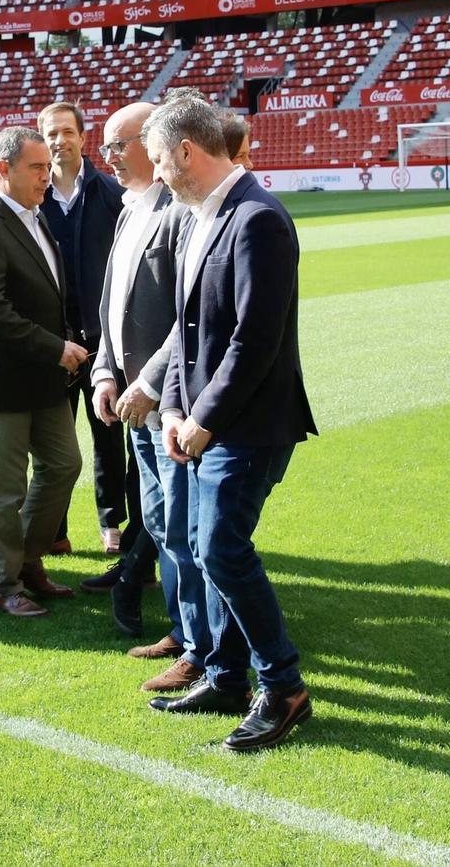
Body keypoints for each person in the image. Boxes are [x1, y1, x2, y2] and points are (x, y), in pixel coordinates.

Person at [145, 92, 318, 752]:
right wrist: (170, 408)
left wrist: (204, 420)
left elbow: (254, 339)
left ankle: (283, 684)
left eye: (160, 157)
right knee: (202, 545)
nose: (157, 169)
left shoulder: (258, 218)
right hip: (201, 423)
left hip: (249, 425)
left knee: (221, 547)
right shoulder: (197, 217)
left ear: (187, 150)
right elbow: (189, 335)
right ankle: (224, 675)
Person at [86, 102, 208, 689]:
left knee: (183, 527)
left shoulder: (179, 213)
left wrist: (149, 383)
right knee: (161, 522)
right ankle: (185, 633)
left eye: (118, 144)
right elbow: (112, 310)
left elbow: (187, 319)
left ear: (154, 141)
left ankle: (201, 647)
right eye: (105, 146)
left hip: (168, 406)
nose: (107, 156)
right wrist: (105, 372)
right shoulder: (128, 210)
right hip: (133, 403)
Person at [0, 125, 85, 617]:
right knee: (4, 489)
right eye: (36, 168)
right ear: (2, 170)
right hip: (3, 381)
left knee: (64, 465)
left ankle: (28, 562)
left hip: (44, 376)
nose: (46, 177)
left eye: (47, 167)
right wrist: (55, 348)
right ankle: (4, 584)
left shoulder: (35, 216)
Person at [37, 101, 128, 556]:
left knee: (109, 436)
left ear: (82, 137)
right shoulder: (32, 201)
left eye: (66, 132)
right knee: (52, 442)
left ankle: (112, 521)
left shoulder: (111, 194)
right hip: (52, 344)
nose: (59, 141)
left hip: (103, 342)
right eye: (51, 133)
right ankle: (54, 529)